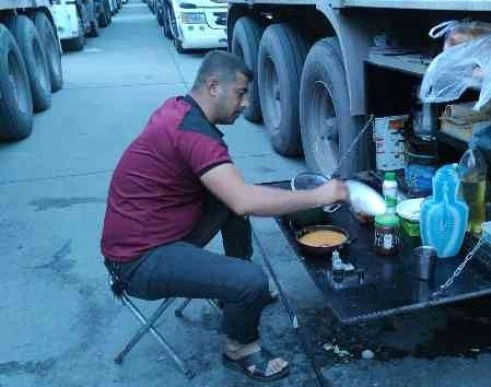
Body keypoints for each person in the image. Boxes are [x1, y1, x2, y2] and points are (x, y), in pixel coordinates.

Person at [101, 50, 348, 382]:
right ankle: (239, 347)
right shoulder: (192, 133)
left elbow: (235, 198)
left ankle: (231, 289)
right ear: (214, 86)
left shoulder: (180, 109)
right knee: (251, 277)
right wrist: (319, 195)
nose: (245, 104)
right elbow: (245, 199)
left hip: (158, 234)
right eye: (241, 92)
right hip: (137, 260)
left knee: (227, 203)